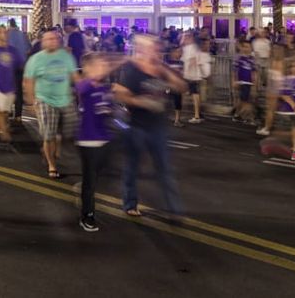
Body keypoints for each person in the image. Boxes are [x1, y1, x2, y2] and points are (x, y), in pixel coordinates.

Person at [113, 33, 186, 218]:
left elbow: (181, 86)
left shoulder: (161, 68)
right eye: (153, 47)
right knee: (132, 167)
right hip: (136, 126)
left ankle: (173, 208)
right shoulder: (131, 69)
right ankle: (130, 203)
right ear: (141, 49)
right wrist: (142, 102)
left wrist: (164, 68)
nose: (157, 51)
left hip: (157, 126)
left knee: (164, 168)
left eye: (157, 47)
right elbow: (120, 94)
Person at [24, 30, 79, 179]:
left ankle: (52, 145)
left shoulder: (66, 57)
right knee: (49, 136)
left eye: (54, 39)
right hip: (45, 99)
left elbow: (75, 77)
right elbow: (29, 81)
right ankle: (52, 165)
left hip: (65, 99)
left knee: (69, 132)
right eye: (48, 39)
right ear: (42, 42)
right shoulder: (35, 59)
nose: (51, 41)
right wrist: (31, 102)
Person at [76, 52, 112, 232]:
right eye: (99, 65)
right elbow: (81, 87)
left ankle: (84, 191)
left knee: (99, 176)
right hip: (88, 141)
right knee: (90, 182)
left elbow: (107, 110)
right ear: (88, 68)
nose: (103, 68)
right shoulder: (86, 86)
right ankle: (87, 215)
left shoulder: (104, 88)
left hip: (104, 140)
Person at [181, 33, 206, 124]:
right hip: (193, 75)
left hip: (192, 75)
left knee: (195, 95)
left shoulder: (191, 47)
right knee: (195, 94)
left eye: (185, 37)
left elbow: (193, 60)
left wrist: (188, 73)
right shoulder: (190, 47)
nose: (183, 39)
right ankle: (198, 113)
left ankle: (197, 115)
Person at [232, 40, 256, 124]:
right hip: (241, 82)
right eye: (245, 47)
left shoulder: (252, 59)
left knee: (243, 100)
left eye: (248, 47)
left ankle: (237, 114)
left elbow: (253, 71)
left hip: (249, 82)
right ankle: (247, 117)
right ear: (242, 47)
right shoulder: (238, 58)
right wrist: (234, 81)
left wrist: (254, 83)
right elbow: (234, 71)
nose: (246, 49)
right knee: (244, 100)